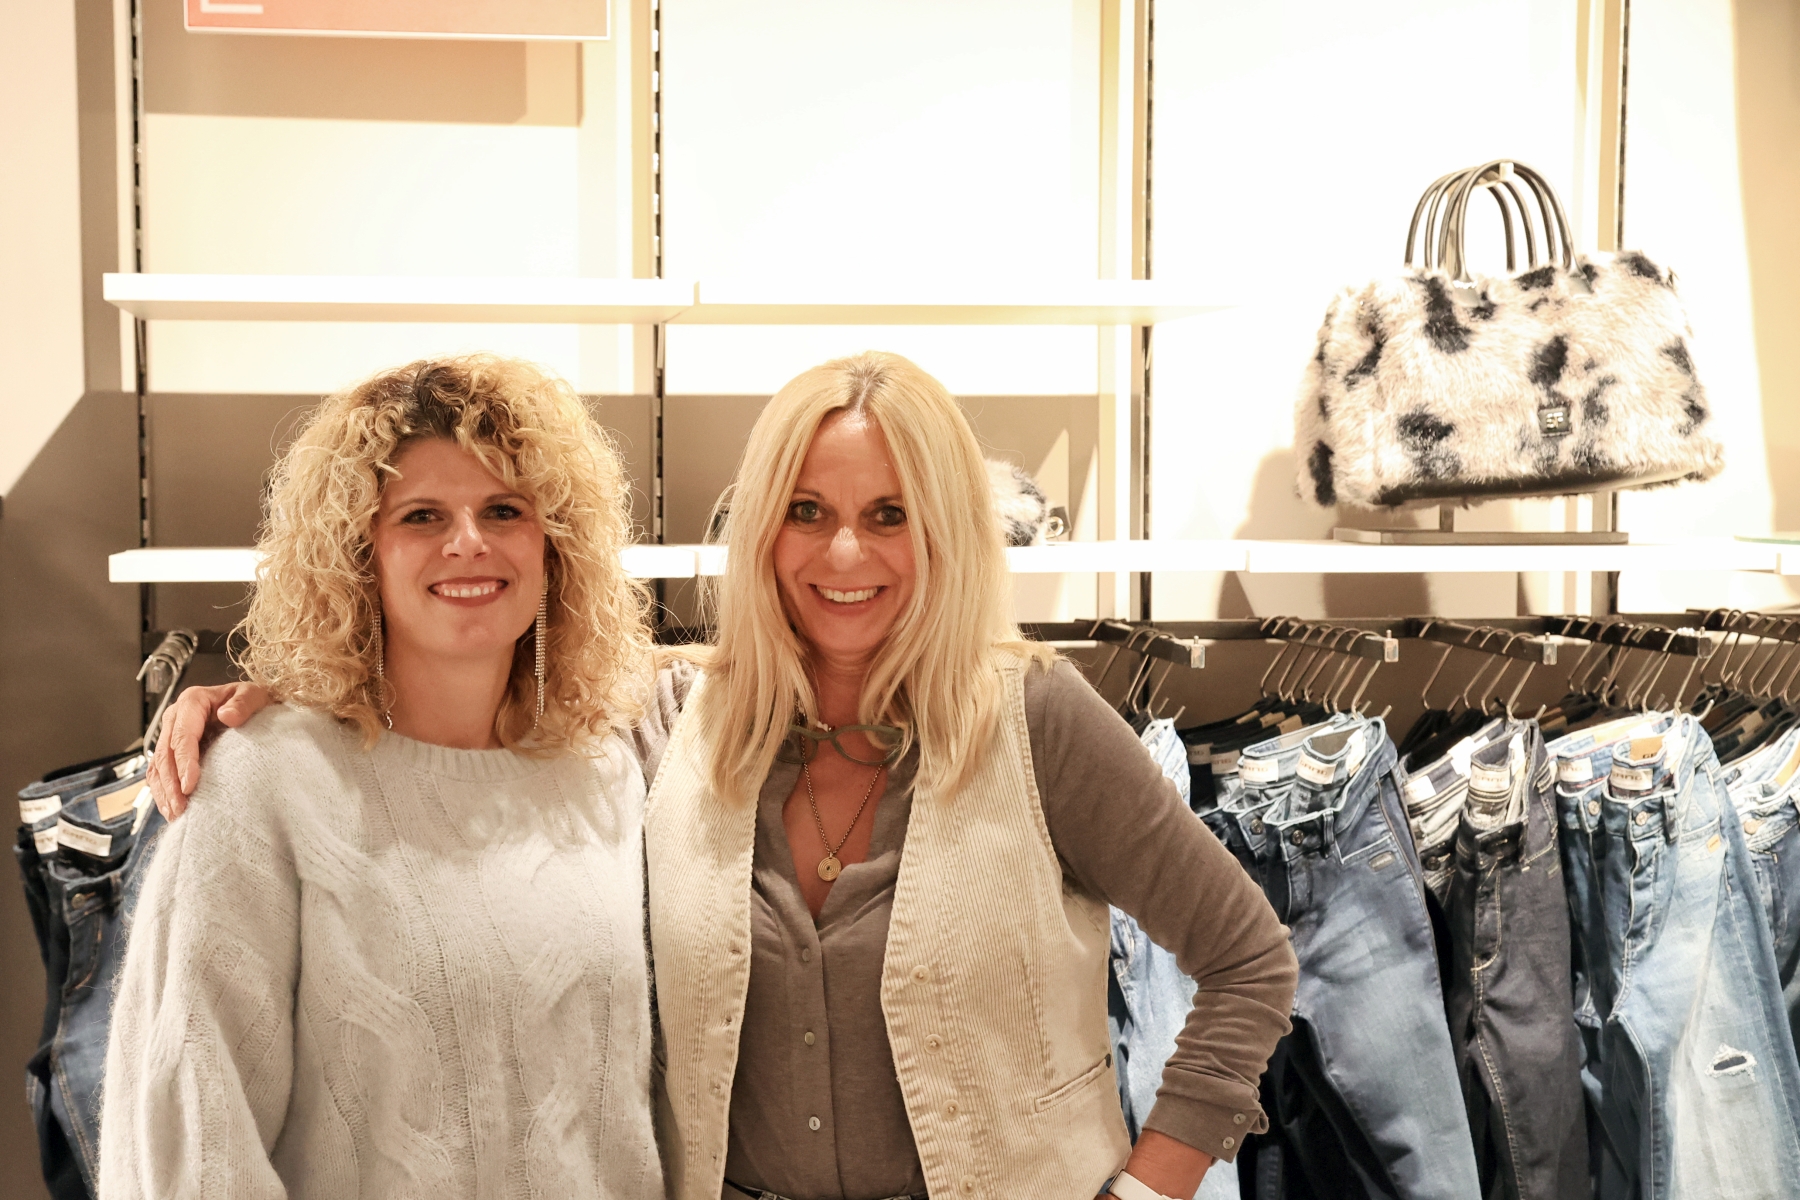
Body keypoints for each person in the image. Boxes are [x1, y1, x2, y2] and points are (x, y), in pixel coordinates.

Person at [152, 351, 1298, 1200]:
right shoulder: (676, 722)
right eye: (807, 512)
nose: (843, 553)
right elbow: (481, 678)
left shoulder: (1037, 720)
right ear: (761, 531)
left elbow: (1249, 960)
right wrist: (291, 698)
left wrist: (1151, 1188)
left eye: (888, 516)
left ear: (947, 531)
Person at [101, 356, 665, 1199]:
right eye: (422, 515)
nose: (468, 541)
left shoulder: (603, 777)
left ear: (555, 547)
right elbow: (192, 1138)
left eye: (504, 510)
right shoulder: (263, 783)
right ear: (357, 553)